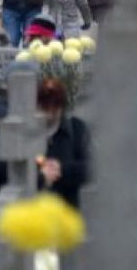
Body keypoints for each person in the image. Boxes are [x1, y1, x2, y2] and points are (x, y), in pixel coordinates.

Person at [36, 77, 91, 208]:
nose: (49, 113)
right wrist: (42, 174)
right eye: (44, 106)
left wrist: (62, 169)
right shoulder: (31, 131)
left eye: (54, 106)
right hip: (36, 211)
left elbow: (90, 168)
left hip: (67, 208)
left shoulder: (76, 129)